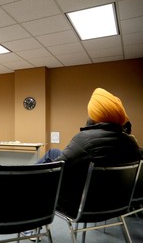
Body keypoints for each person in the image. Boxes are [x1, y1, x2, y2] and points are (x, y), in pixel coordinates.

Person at [35, 88, 142, 217]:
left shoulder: (85, 140)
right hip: (115, 203)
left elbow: (57, 169)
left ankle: (23, 188)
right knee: (54, 152)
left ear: (96, 116)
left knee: (41, 175)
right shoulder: (131, 143)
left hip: (80, 205)